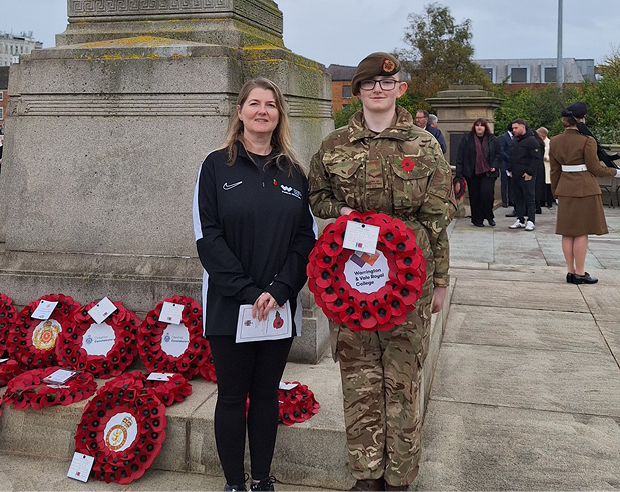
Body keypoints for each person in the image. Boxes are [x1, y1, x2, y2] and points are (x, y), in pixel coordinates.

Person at [309, 52, 456, 491]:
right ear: (357, 92)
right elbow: (317, 197)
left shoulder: (425, 145)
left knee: (403, 380)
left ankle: (400, 477)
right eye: (369, 83)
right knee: (358, 378)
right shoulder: (334, 146)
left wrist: (442, 281)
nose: (378, 89)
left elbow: (437, 220)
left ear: (400, 89)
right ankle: (366, 474)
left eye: (386, 83)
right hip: (351, 281)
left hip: (409, 285)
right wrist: (345, 212)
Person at [194, 77, 316, 492]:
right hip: (232, 305)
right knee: (231, 396)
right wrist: (248, 292)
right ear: (240, 112)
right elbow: (206, 237)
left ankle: (263, 480)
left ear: (279, 115)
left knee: (266, 395)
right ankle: (234, 483)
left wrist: (280, 290)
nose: (262, 110)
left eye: (271, 105)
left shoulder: (295, 172)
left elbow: (305, 239)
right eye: (254, 103)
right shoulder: (214, 166)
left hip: (278, 307)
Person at [549, 102, 620, 284]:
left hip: (565, 188)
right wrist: (615, 172)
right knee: (581, 232)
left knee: (567, 232)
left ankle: (570, 271)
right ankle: (580, 273)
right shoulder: (587, 141)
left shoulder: (554, 140)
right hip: (584, 189)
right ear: (581, 119)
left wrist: (556, 193)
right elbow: (595, 168)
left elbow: (554, 170)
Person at [455, 118, 498, 227]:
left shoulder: (492, 139)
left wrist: (494, 165)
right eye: (477, 125)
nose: (479, 127)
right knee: (475, 196)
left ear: (485, 127)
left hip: (488, 172)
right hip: (472, 172)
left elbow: (499, 154)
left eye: (482, 125)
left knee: (487, 195)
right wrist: (459, 173)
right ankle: (477, 219)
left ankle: (489, 216)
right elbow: (460, 155)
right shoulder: (467, 139)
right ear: (474, 127)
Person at [507, 119, 540, 231]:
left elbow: (536, 159)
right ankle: (520, 219)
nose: (514, 130)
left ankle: (531, 220)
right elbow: (512, 156)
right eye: (513, 128)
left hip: (527, 175)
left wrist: (530, 172)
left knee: (530, 198)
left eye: (516, 128)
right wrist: (510, 169)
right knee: (518, 198)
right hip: (515, 174)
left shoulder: (532, 141)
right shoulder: (515, 141)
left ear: (523, 127)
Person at [497, 123, 515, 215]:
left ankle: (511, 200)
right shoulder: (503, 137)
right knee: (504, 183)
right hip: (504, 163)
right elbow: (501, 150)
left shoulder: (515, 138)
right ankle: (504, 201)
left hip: (512, 164)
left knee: (512, 183)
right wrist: (508, 158)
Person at [536, 127, 553, 210]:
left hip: (547, 166)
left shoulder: (549, 143)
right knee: (541, 185)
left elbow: (553, 156)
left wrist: (546, 158)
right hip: (540, 166)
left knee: (548, 185)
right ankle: (542, 201)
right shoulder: (538, 142)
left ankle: (549, 202)